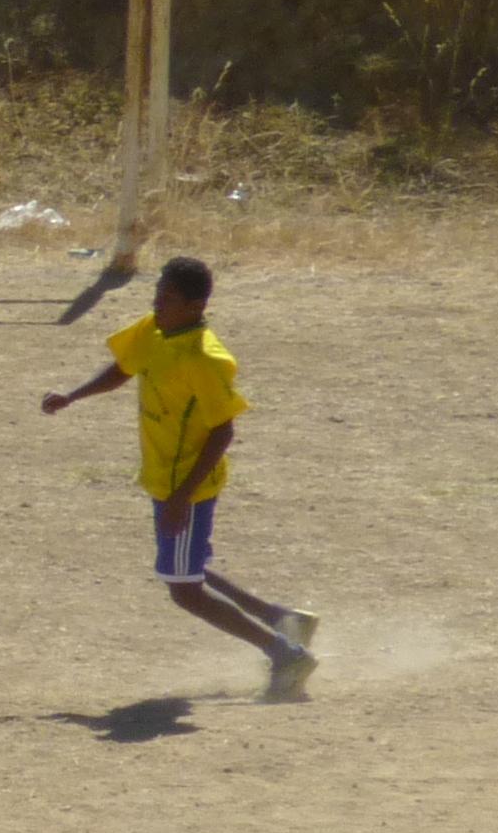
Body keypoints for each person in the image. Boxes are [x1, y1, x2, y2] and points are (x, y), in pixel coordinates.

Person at [43, 254, 319, 700]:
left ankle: (284, 653)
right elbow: (123, 369)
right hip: (163, 480)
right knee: (185, 569)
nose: (157, 303)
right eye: (157, 293)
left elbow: (223, 430)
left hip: (187, 487)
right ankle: (282, 620)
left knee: (185, 591)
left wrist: (181, 498)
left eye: (168, 298)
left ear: (196, 306)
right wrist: (72, 396)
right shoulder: (154, 330)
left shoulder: (207, 360)